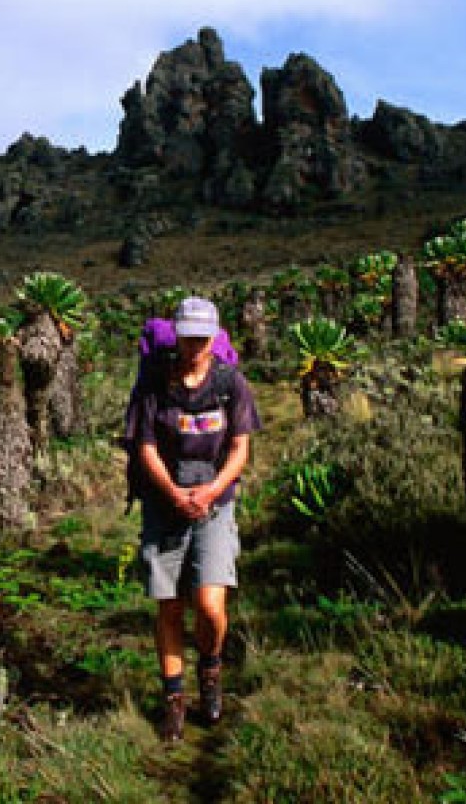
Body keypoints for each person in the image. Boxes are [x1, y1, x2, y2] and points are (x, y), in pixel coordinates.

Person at [128, 296, 261, 742]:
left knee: (209, 605)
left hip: (215, 505)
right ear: (178, 336)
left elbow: (241, 447)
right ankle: (175, 701)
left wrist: (210, 490)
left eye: (203, 338)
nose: (195, 346)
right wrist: (173, 493)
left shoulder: (230, 384)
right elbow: (145, 447)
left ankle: (210, 667)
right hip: (165, 505)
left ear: (214, 337)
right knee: (169, 606)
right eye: (188, 338)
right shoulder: (154, 385)